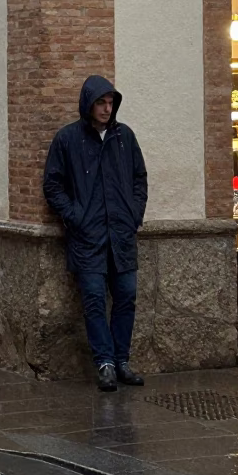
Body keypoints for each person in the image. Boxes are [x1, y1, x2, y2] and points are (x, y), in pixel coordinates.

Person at [43, 75, 148, 391]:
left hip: (121, 236)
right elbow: (52, 184)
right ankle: (104, 363)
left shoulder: (124, 138)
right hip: (87, 238)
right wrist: (75, 216)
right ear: (88, 104)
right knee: (93, 299)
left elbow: (139, 180)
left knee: (126, 296)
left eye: (110, 103)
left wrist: (133, 215)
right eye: (100, 102)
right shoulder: (68, 140)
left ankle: (121, 361)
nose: (106, 108)